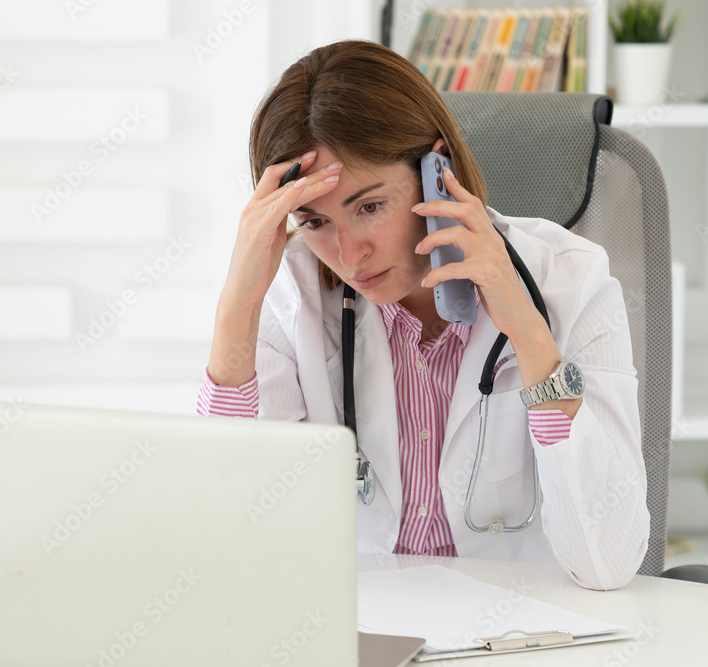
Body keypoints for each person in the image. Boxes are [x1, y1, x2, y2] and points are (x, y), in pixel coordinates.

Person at [198, 39, 649, 591]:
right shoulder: (289, 294)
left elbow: (607, 562)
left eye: (369, 207)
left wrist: (529, 333)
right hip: (354, 624)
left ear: (439, 169)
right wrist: (236, 312)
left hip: (516, 627)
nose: (349, 254)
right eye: (314, 221)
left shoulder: (573, 281)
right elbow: (231, 545)